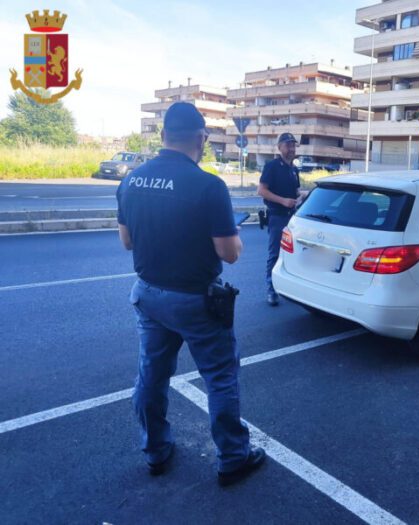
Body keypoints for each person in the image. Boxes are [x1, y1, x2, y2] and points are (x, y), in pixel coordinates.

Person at [117, 102, 265, 487]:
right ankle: (233, 457)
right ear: (202, 138)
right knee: (219, 377)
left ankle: (156, 450)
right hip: (196, 300)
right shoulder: (208, 185)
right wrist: (232, 234)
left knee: (151, 374)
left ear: (163, 136)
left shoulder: (132, 180)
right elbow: (228, 254)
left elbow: (127, 241)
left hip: (148, 295)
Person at [257, 132, 308, 306]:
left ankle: (289, 287)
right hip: (277, 217)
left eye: (293, 145)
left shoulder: (294, 169)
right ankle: (271, 290)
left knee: (294, 253)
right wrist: (282, 201)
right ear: (279, 147)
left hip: (293, 218)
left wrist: (303, 195)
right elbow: (262, 191)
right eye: (287, 145)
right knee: (275, 254)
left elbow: (295, 192)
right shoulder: (272, 166)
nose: (291, 149)